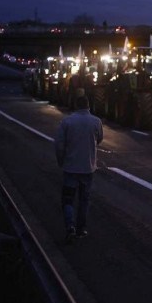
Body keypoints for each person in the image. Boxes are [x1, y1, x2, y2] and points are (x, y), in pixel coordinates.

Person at [55, 95, 103, 242]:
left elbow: (59, 145)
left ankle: (70, 226)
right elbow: (99, 139)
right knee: (84, 200)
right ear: (88, 106)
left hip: (70, 167)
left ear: (76, 105)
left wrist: (61, 161)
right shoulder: (96, 121)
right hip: (88, 168)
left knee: (68, 199)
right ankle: (81, 229)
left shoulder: (67, 122)